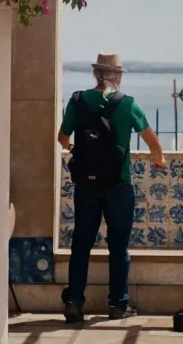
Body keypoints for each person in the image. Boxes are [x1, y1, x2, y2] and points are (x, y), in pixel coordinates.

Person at [58, 52, 165, 323]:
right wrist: (158, 159)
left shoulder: (77, 100)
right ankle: (118, 305)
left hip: (86, 184)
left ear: (96, 74)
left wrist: (74, 148)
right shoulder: (127, 103)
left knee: (81, 245)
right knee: (118, 247)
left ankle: (74, 301)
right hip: (118, 184)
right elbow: (153, 142)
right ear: (117, 76)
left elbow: (62, 136)